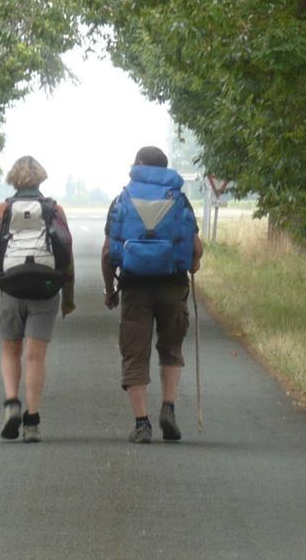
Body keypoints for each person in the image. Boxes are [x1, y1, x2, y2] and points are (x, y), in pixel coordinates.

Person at [102, 146, 203, 443]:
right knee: (171, 348)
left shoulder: (122, 199)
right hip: (173, 283)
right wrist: (193, 264)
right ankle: (168, 408)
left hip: (134, 286)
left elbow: (108, 252)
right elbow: (195, 247)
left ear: (138, 166)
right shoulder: (179, 199)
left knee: (135, 354)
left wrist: (110, 290)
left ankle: (142, 423)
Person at [0, 155, 75, 443]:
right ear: (41, 179)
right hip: (45, 289)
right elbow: (66, 254)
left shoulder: (2, 210)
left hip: (10, 288)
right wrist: (68, 297)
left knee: (11, 350)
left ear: (13, 179)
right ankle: (32, 421)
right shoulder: (54, 209)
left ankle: (12, 403)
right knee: (35, 357)